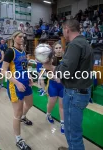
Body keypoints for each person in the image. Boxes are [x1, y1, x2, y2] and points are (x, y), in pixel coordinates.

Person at [44, 19, 93, 150]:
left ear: (67, 29)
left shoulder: (74, 45)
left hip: (74, 93)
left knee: (72, 133)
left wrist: (50, 66)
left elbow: (64, 72)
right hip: (82, 90)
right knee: (73, 129)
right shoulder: (85, 43)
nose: (62, 33)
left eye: (63, 30)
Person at [2, 30, 33, 150]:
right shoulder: (10, 51)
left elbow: (24, 67)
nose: (22, 39)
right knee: (17, 114)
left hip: (25, 83)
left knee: (30, 104)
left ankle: (23, 118)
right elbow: (3, 71)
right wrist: (17, 83)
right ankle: (18, 139)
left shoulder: (23, 51)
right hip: (15, 86)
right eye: (20, 37)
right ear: (14, 38)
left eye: (23, 37)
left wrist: (29, 76)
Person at [45, 42, 64, 134]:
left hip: (63, 85)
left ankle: (63, 123)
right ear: (54, 49)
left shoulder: (66, 58)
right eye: (56, 48)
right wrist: (54, 77)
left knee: (62, 105)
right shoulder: (51, 59)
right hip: (53, 84)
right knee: (51, 103)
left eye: (60, 47)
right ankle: (48, 114)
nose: (58, 49)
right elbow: (47, 72)